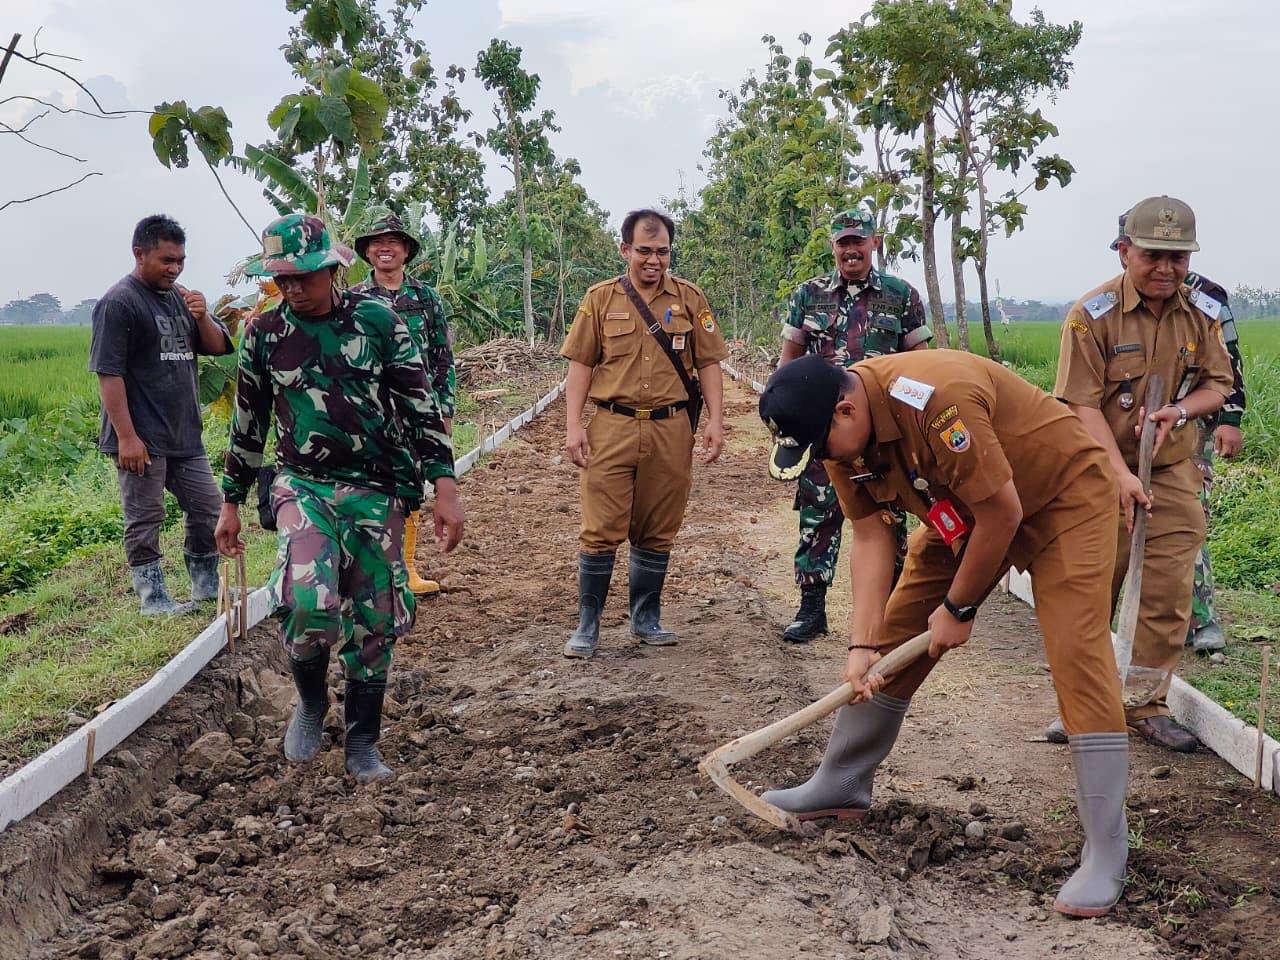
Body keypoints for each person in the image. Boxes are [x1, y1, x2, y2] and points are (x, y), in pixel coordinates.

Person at [757, 352, 1131, 918]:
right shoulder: (833, 432)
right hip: (962, 510)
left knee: (1077, 652)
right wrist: (862, 646)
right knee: (896, 634)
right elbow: (871, 535)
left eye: (822, 448)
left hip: (1062, 499)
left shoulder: (935, 399)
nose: (824, 460)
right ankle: (842, 781)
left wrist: (959, 606)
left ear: (846, 411)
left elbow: (1004, 514)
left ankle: (1106, 847)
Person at [214, 214, 464, 783]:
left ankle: (363, 740)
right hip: (302, 484)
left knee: (375, 616)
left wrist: (445, 486)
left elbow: (419, 404)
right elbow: (248, 422)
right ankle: (309, 702)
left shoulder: (376, 321)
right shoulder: (264, 332)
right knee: (308, 598)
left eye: (302, 277)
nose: (292, 289)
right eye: (282, 279)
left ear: (331, 269)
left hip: (377, 485)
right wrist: (230, 501)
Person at [1052, 196, 1233, 753]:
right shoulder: (1092, 316)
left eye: (1178, 258)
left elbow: (1218, 385)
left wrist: (1179, 411)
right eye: (1153, 255)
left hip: (1171, 470)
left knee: (1167, 595)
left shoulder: (1201, 312)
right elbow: (1080, 405)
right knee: (1091, 591)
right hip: (1097, 470)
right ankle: (1083, 707)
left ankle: (1144, 705)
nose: (1166, 269)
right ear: (1124, 251)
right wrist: (1119, 475)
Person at [559, 208, 728, 659]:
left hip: (671, 427)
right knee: (600, 526)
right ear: (625, 250)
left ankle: (646, 617)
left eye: (662, 252)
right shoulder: (599, 299)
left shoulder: (690, 298)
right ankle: (588, 625)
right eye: (644, 251)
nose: (654, 260)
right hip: (611, 425)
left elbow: (709, 363)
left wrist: (715, 420)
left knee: (658, 525)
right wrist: (573, 425)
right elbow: (581, 365)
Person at [775, 208, 931, 643]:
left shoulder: (901, 296)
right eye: (843, 242)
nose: (850, 250)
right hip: (824, 431)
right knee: (817, 515)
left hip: (882, 433)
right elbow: (789, 363)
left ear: (874, 243)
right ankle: (811, 609)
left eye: (858, 241)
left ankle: (891, 612)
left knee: (888, 516)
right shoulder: (809, 295)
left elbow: (921, 365)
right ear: (833, 247)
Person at [89, 214, 233, 615]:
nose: (175, 268)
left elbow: (218, 347)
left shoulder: (181, 297)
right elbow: (109, 374)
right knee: (145, 517)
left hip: (184, 434)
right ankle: (153, 600)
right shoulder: (119, 303)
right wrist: (126, 437)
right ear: (140, 254)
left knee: (208, 508)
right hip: (140, 436)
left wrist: (202, 316)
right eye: (167, 260)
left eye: (180, 260)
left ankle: (207, 587)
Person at [351, 213, 456, 597]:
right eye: (377, 242)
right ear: (367, 252)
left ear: (406, 250)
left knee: (411, 486)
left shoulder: (427, 299)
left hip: (417, 412)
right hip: (370, 413)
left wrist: (444, 410)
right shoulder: (354, 300)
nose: (385, 248)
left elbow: (443, 358)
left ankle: (406, 567)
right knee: (370, 487)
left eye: (393, 241)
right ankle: (372, 570)